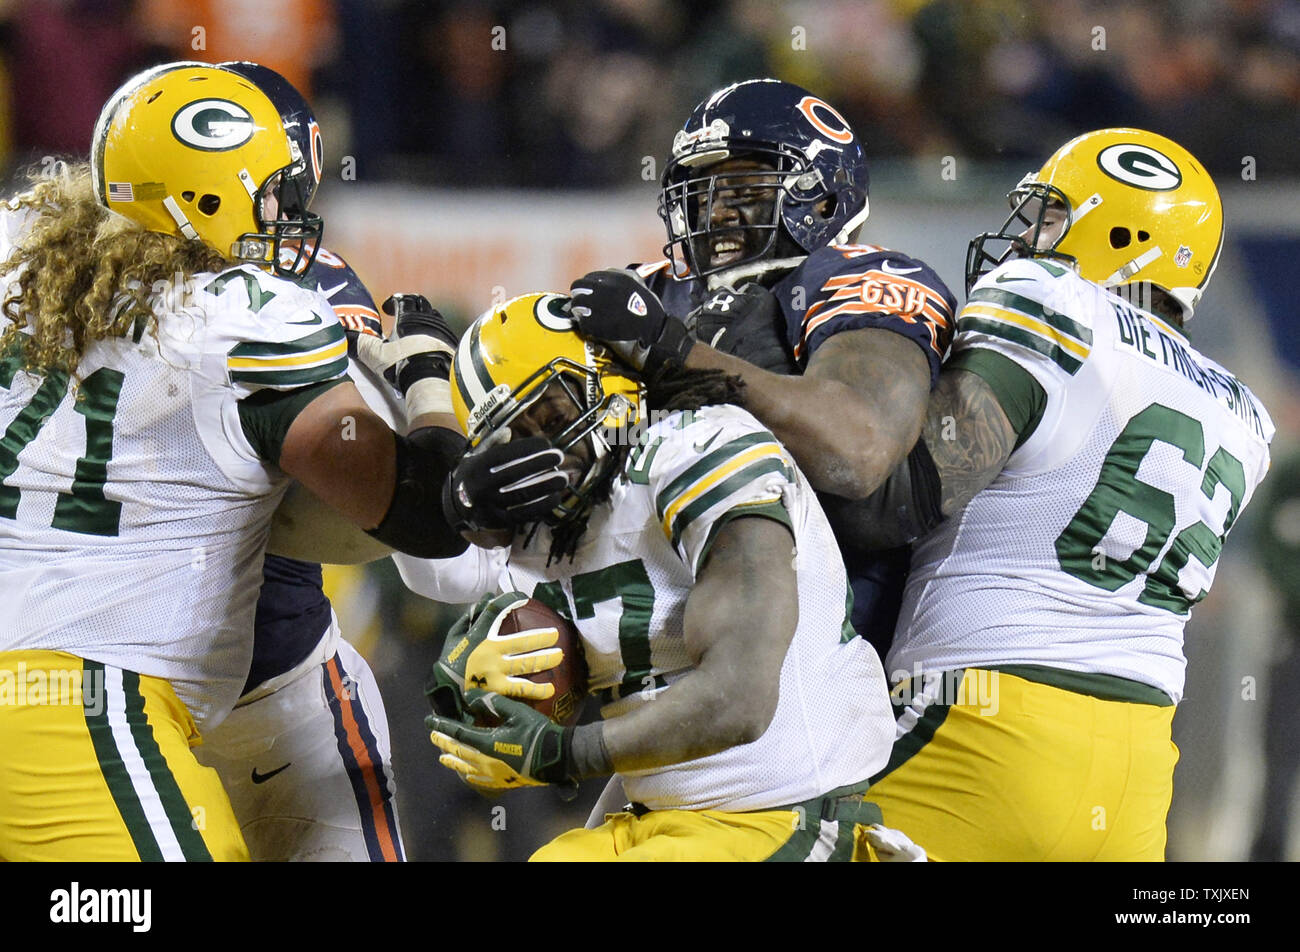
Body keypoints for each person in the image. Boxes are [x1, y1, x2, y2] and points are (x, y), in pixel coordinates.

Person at [0, 62, 540, 861]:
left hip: (109, 681)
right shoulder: (255, 314)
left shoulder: (25, 254)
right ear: (211, 190)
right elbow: (432, 522)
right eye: (273, 190)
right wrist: (426, 379)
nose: (288, 216)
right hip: (102, 691)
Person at [850, 129, 1274, 860]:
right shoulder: (1244, 413)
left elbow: (896, 500)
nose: (1028, 239)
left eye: (1051, 217)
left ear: (1122, 233)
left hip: (983, 726)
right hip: (1139, 764)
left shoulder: (1057, 305)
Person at [421, 291, 920, 862]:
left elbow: (739, 699)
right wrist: (487, 698)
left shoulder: (696, 448)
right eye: (522, 439)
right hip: (661, 821)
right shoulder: (539, 523)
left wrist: (561, 753)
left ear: (606, 377)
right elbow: (435, 585)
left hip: (783, 813)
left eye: (556, 416)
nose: (551, 451)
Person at [566, 78, 958, 658]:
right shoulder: (648, 296)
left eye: (745, 186)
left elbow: (858, 447)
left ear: (822, 200)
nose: (717, 210)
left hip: (817, 650)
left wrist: (675, 355)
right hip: (639, 632)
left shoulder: (855, 275)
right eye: (702, 192)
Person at [184, 60, 403, 862]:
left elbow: (376, 463)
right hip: (119, 686)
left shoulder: (312, 285)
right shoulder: (89, 287)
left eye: (287, 194)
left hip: (273, 681)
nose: (281, 216)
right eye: (266, 189)